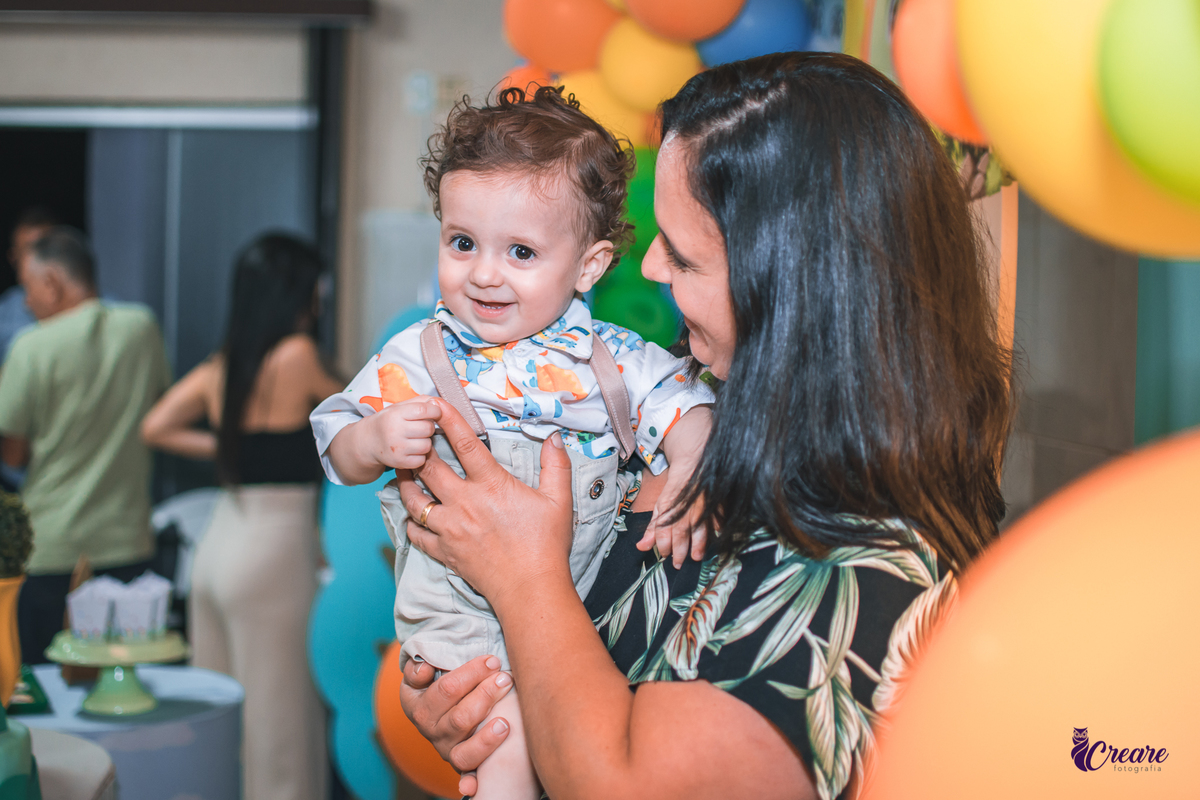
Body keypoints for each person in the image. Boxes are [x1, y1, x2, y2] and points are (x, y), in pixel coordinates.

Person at [395, 52, 1014, 800]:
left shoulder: (857, 558)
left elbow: (633, 784)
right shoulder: (674, 400)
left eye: (683, 257)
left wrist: (523, 578)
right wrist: (469, 696)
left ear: (791, 286)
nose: (651, 269)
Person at [311, 86, 715, 800]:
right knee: (499, 735)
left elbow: (687, 409)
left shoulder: (612, 356)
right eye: (462, 243)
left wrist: (688, 464)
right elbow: (335, 441)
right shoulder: (419, 354)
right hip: (457, 604)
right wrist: (374, 436)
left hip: (572, 603)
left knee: (562, 727)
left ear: (588, 268)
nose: (485, 273)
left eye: (520, 251)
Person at [141, 233, 341, 800]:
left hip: (220, 546)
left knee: (225, 728)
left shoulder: (221, 367)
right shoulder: (297, 357)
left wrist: (232, 448)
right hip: (274, 553)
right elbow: (363, 406)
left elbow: (155, 427)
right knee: (280, 731)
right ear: (296, 292)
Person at [0, 226, 170, 664]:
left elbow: (12, 452)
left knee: (46, 684)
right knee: (123, 679)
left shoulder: (31, 347)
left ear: (52, 282)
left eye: (28, 286)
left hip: (49, 545)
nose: (25, 300)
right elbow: (158, 410)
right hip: (127, 540)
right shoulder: (142, 329)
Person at [0, 208, 52, 360]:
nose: (41, 261)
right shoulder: (4, 316)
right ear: (14, 258)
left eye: (48, 250)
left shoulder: (98, 306)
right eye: (30, 252)